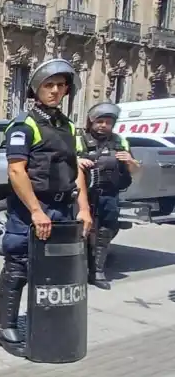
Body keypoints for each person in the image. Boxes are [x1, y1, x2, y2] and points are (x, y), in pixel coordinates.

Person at [0, 58, 93, 357]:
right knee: (19, 266)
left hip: (63, 209)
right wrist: (36, 211)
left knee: (57, 270)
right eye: (48, 85)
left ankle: (49, 322)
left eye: (60, 85)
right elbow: (16, 171)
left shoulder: (66, 126)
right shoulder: (23, 125)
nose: (54, 90)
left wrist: (84, 208)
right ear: (36, 89)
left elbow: (76, 168)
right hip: (31, 209)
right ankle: (6, 326)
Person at [77, 102, 140, 289]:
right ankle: (79, 271)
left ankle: (97, 271)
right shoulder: (79, 139)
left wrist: (131, 161)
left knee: (105, 233)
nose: (103, 125)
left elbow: (135, 170)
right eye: (100, 121)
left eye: (108, 122)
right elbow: (65, 161)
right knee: (82, 233)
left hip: (110, 195)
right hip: (85, 195)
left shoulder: (120, 142)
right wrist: (77, 159)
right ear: (92, 122)